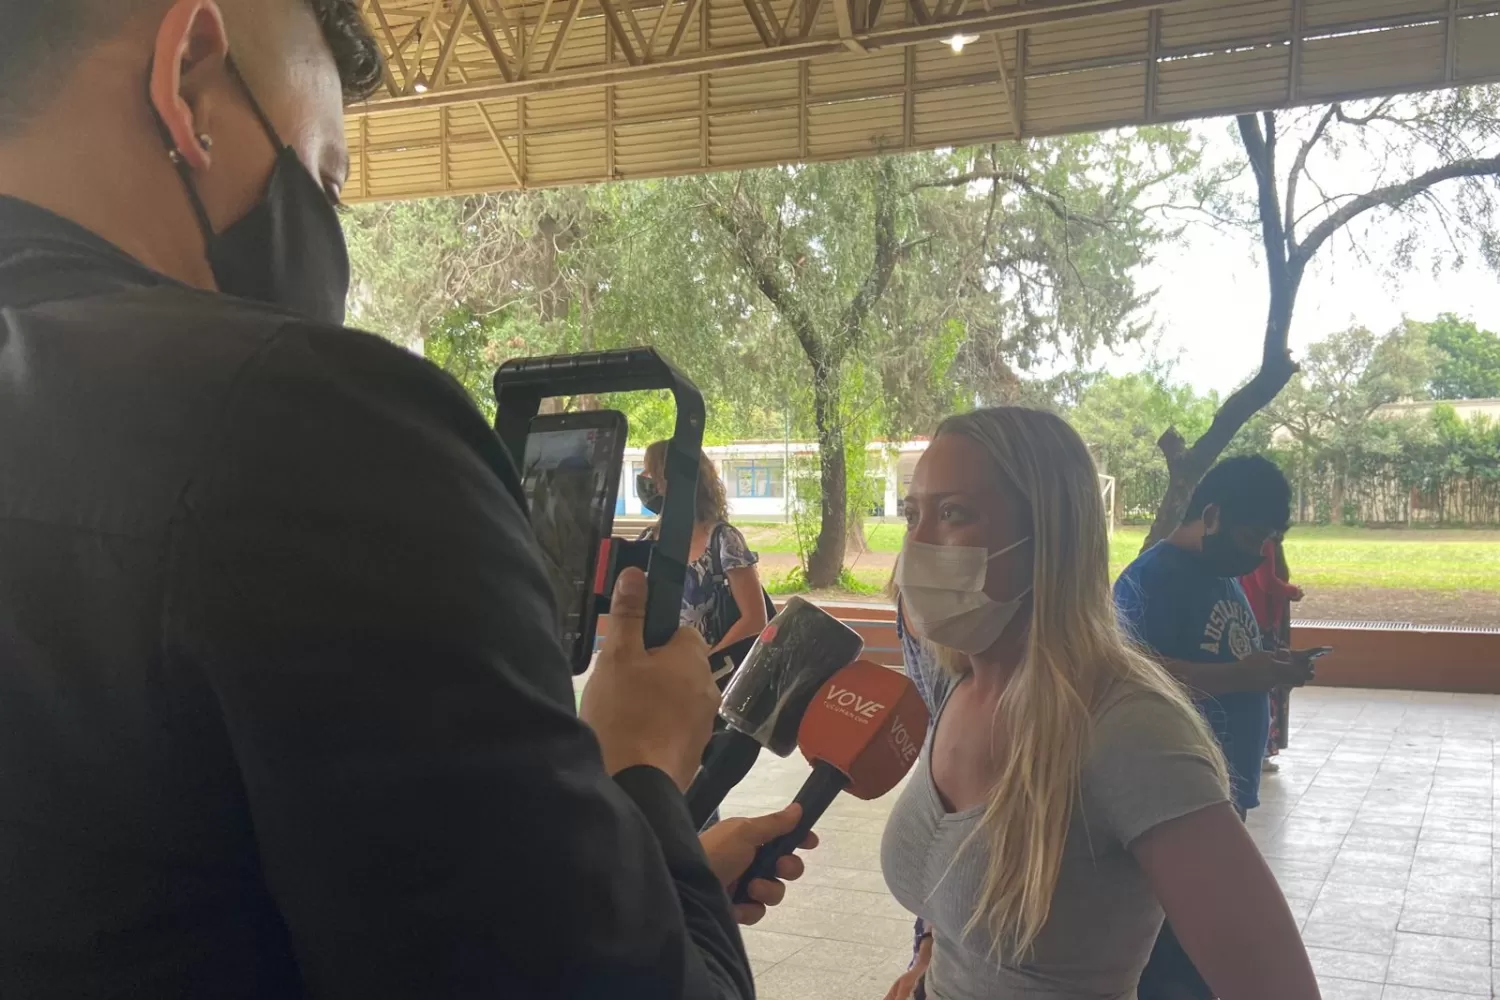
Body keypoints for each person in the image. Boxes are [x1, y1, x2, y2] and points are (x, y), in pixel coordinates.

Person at [0, 2, 810, 996]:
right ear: (189, 81)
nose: (328, 230)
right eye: (326, 179)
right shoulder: (306, 421)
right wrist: (641, 769)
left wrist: (651, 888)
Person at [880, 408, 1320, 1000]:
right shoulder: (961, 687)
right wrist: (929, 964)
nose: (918, 543)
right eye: (914, 514)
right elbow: (958, 890)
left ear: (1049, 534)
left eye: (954, 512)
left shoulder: (1128, 730)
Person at [1115, 456, 1322, 1000]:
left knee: (1209, 941)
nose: (1257, 553)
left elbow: (1231, 653)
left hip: (1226, 786)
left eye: (1268, 542)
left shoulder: (1221, 576)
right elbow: (1133, 675)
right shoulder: (1151, 580)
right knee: (1175, 957)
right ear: (1212, 516)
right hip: (1176, 797)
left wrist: (1274, 669)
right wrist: (1240, 675)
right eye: (1254, 537)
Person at [638, 442, 771, 657]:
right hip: (657, 674)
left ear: (677, 479)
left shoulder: (724, 540)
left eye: (651, 471)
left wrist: (708, 664)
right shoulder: (646, 540)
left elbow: (754, 619)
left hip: (707, 679)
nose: (644, 478)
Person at [1240, 536, 1304, 772]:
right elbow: (1265, 582)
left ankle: (1261, 749)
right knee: (1270, 683)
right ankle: (1263, 749)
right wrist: (1292, 590)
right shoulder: (1263, 541)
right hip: (1263, 621)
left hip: (1256, 618)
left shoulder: (1248, 540)